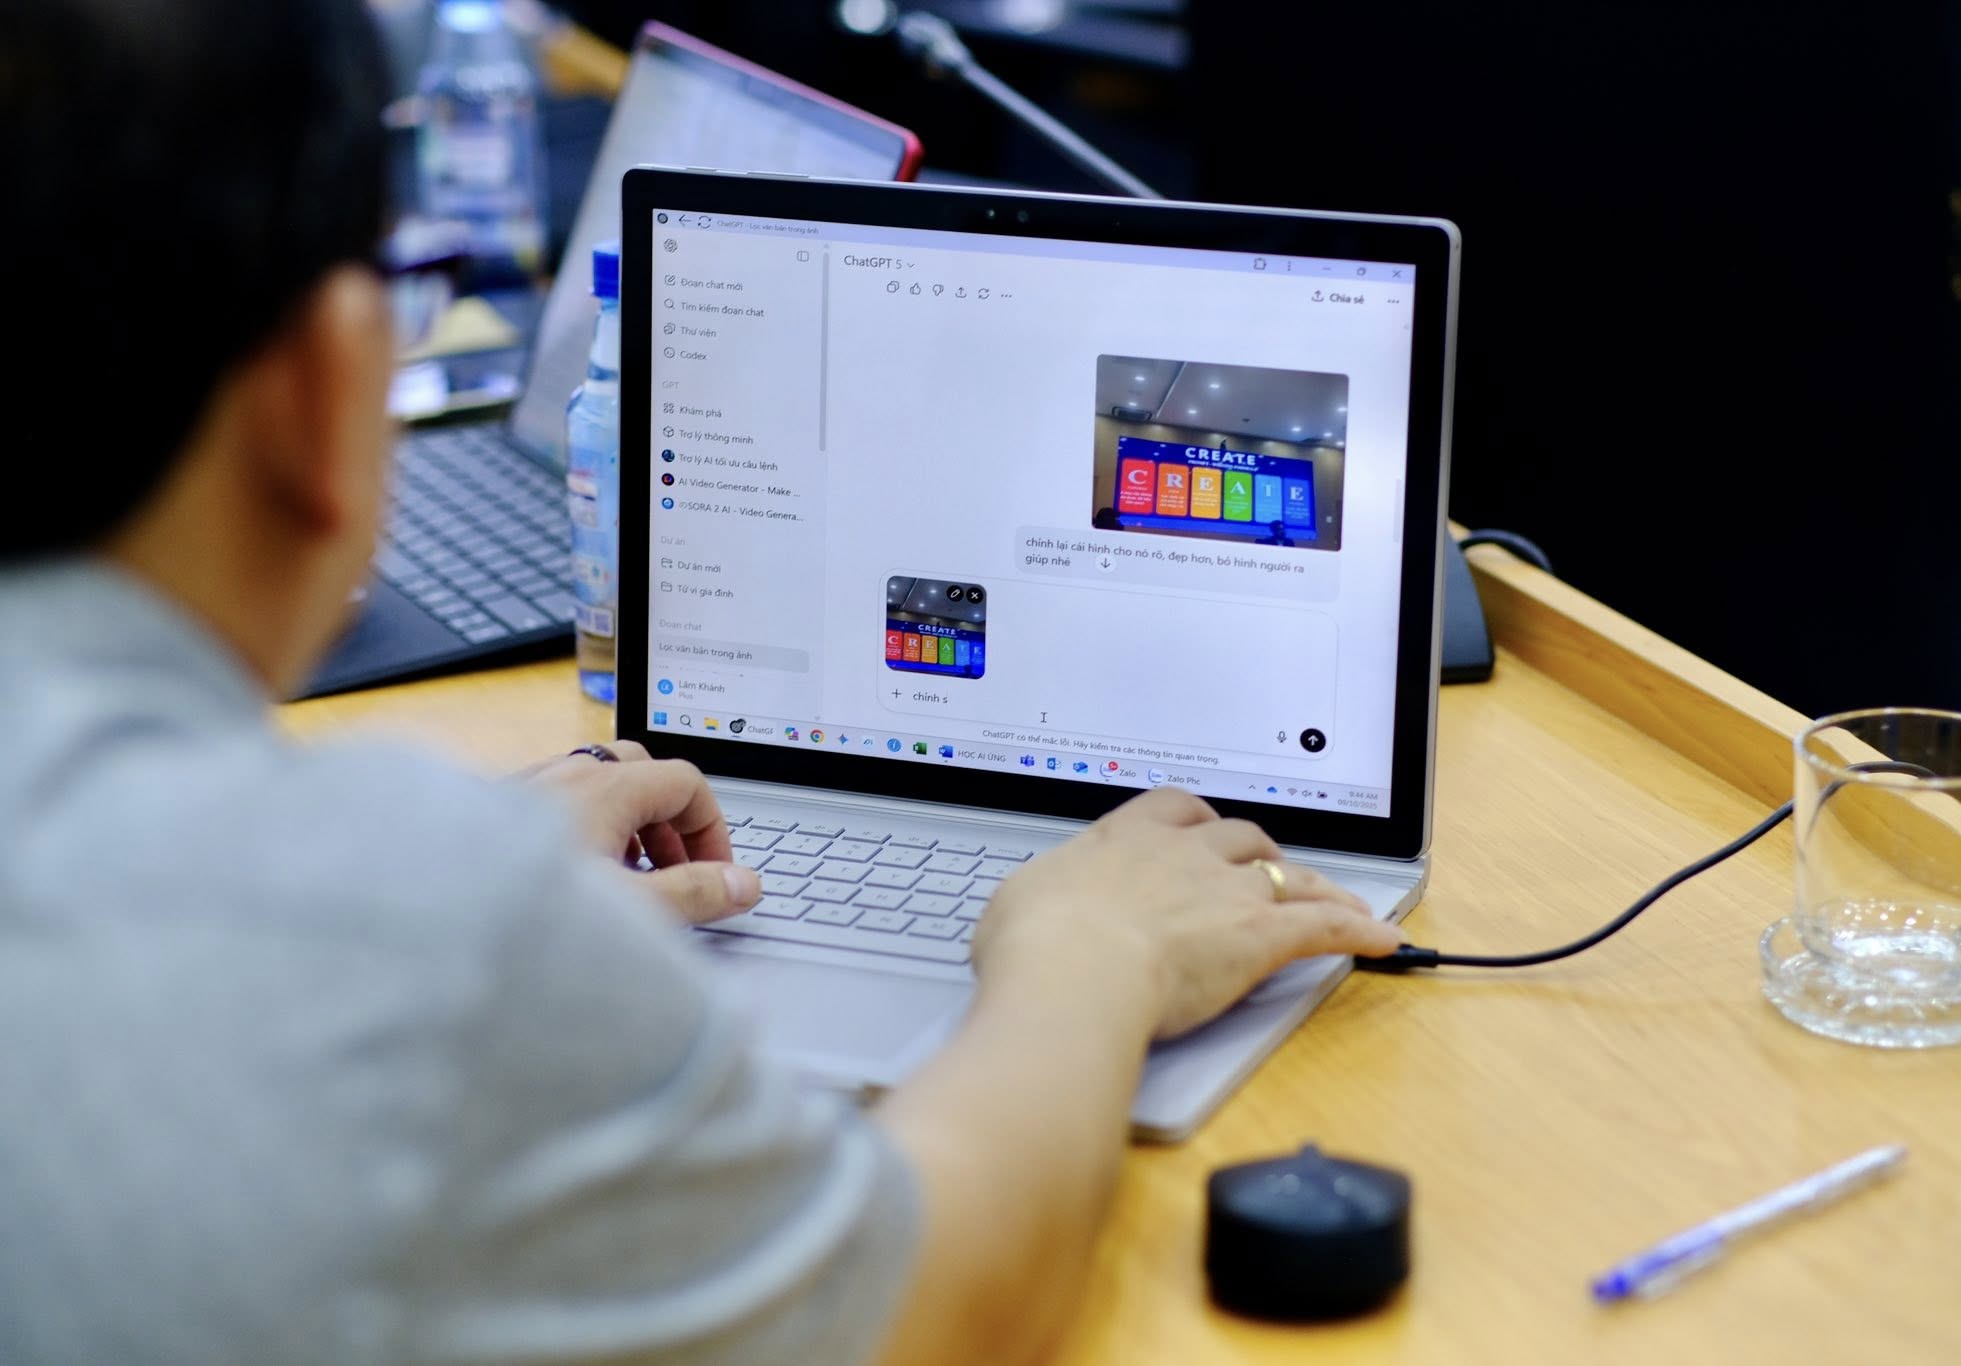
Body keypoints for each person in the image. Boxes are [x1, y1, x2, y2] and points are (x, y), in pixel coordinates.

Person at [0, 3, 1399, 1362]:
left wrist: (468, 880)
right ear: (323, 387)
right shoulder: (408, 936)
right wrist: (1093, 956)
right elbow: (928, 1303)